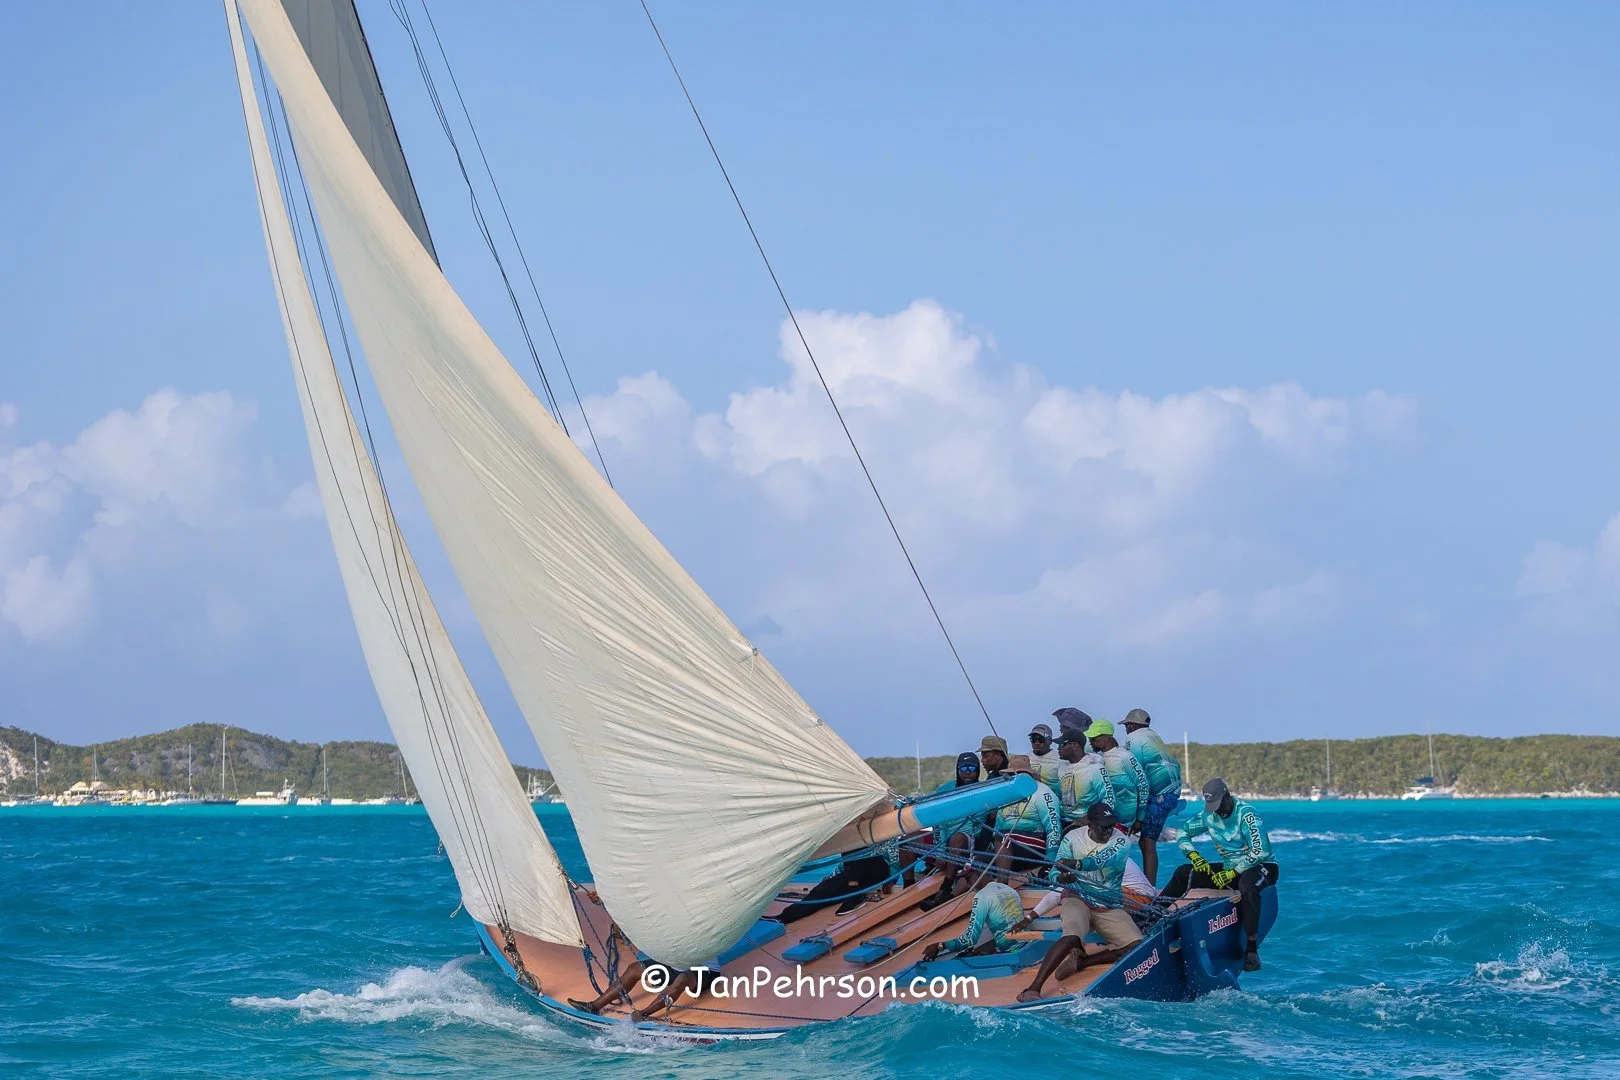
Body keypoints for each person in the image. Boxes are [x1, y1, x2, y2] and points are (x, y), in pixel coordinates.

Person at [1017, 803, 1142, 1002]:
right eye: (1104, 827)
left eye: (1111, 826)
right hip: (1077, 898)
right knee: (1072, 937)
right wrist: (1061, 878)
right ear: (1089, 825)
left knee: (1136, 945)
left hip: (1108, 905)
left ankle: (1082, 962)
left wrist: (1076, 864)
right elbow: (1055, 872)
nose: (1109, 831)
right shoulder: (1072, 839)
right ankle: (1032, 989)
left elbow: (1101, 860)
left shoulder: (1121, 841)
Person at [1163, 777, 1279, 972]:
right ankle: (1152, 919)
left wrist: (1233, 872)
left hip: (1261, 866)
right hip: (1229, 868)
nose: (1217, 811)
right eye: (1213, 807)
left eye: (1219, 805)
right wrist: (1193, 856)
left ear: (1227, 795)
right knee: (1183, 873)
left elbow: (1261, 851)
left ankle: (1251, 949)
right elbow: (1183, 832)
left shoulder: (1247, 814)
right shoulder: (1208, 816)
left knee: (1247, 886)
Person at [566, 923, 720, 1019]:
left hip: (703, 971)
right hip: (674, 965)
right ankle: (593, 1006)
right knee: (634, 969)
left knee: (683, 979)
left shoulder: (696, 926)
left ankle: (644, 1014)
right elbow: (619, 933)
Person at [919, 751, 994, 911]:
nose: (967, 772)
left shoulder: (985, 791)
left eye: (972, 768)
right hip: (944, 840)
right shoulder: (945, 790)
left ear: (977, 770)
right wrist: (940, 852)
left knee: (958, 837)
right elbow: (938, 822)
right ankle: (908, 886)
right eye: (964, 768)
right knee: (909, 838)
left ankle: (945, 889)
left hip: (969, 842)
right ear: (958, 769)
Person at [1121, 707, 1183, 885]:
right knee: (1146, 842)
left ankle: (1148, 887)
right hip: (1172, 793)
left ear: (1132, 725)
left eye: (1126, 726)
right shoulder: (1155, 737)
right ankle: (1149, 885)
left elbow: (1133, 769)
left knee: (1145, 842)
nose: (1126, 729)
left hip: (1158, 795)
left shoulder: (1133, 738)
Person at [920, 881, 1031, 961]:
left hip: (1010, 953)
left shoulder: (981, 896)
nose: (967, 883)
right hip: (1028, 945)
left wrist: (940, 945)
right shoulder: (1008, 889)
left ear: (977, 874)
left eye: (967, 878)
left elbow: (970, 939)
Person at [993, 755, 1063, 874]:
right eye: (1011, 774)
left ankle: (1002, 882)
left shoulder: (1043, 792)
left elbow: (1053, 827)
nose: (1014, 777)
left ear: (1028, 775)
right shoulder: (1006, 795)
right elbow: (998, 827)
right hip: (1006, 844)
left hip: (1035, 844)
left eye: (1018, 774)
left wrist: (1050, 857)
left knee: (1004, 837)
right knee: (975, 860)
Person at [1087, 719, 1148, 834]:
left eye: (1093, 738)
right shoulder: (1096, 758)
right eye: (1089, 738)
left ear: (1106, 737)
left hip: (1123, 820)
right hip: (1103, 818)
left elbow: (1143, 785)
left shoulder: (1125, 756)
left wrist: (1140, 818)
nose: (1090, 741)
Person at [1056, 729, 1113, 828]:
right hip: (1064, 821)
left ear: (1074, 745)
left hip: (1088, 824)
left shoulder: (1095, 768)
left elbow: (1109, 799)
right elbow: (1060, 797)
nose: (1058, 749)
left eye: (1062, 745)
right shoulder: (1062, 768)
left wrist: (1088, 819)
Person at [1026, 722, 1064, 795]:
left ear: (1050, 741)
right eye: (1033, 739)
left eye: (1041, 739)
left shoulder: (1060, 759)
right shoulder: (1026, 758)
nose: (1037, 743)